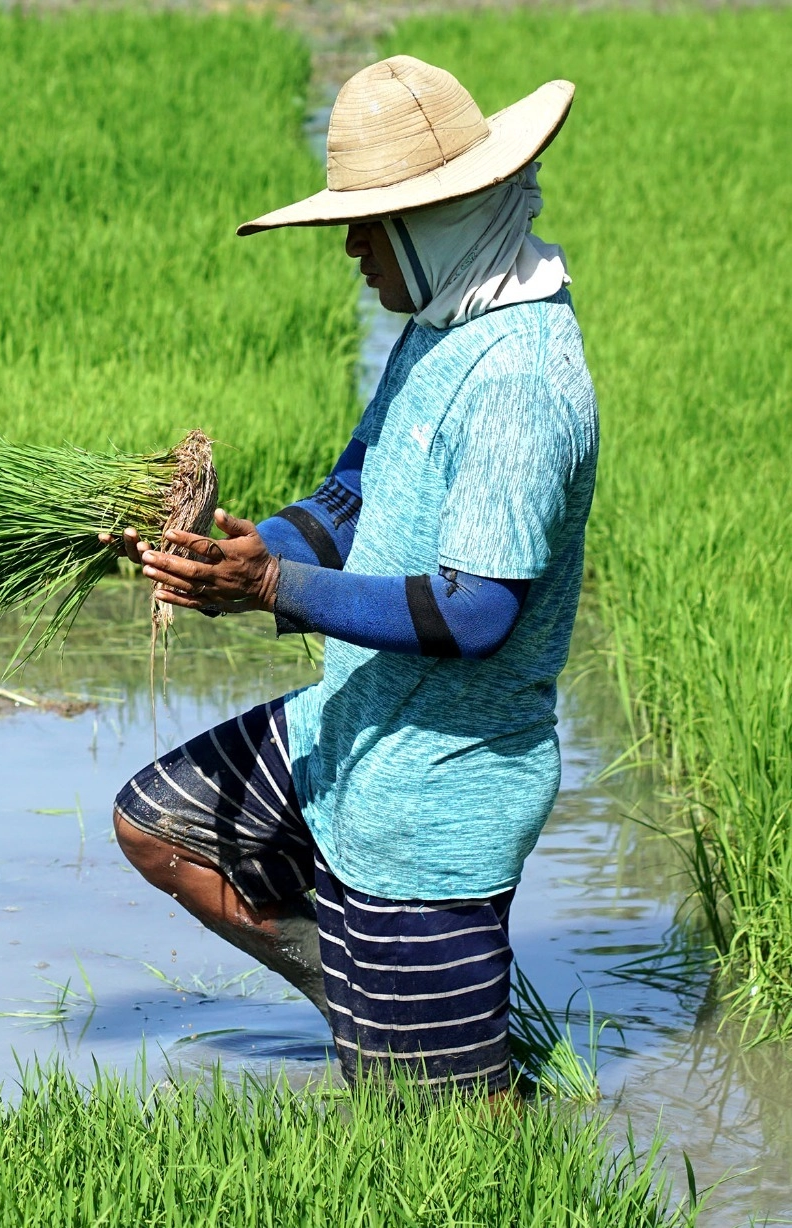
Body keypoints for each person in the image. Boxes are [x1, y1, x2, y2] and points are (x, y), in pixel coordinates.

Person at [107, 55, 598, 1097]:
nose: (351, 246)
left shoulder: (521, 384)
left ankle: (420, 1047)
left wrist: (269, 590)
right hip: (351, 723)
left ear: (443, 219)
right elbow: (354, 493)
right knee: (157, 822)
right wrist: (238, 554)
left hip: (437, 790)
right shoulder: (440, 328)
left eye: (371, 223)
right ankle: (365, 1003)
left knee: (449, 1147)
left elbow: (477, 612)